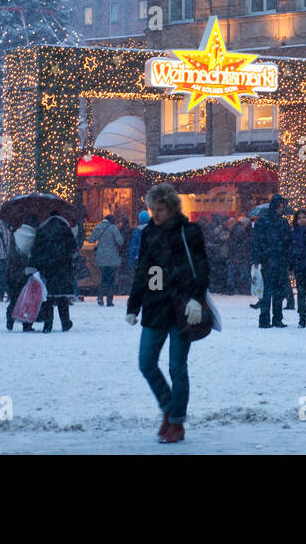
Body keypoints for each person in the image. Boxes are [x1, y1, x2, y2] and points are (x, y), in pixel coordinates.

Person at [126, 182, 209, 444]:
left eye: (160, 209)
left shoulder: (189, 232)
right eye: (153, 209)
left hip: (181, 307)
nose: (155, 214)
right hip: (155, 306)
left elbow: (201, 268)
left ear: (172, 208)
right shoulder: (149, 233)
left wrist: (197, 298)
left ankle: (176, 422)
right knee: (146, 362)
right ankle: (168, 407)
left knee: (177, 367)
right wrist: (133, 305)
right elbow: (144, 271)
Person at [33, 214, 77, 333]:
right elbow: (73, 248)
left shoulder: (42, 230)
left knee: (48, 297)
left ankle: (48, 324)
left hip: (47, 267)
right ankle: (65, 322)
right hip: (63, 267)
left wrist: (38, 264)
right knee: (62, 297)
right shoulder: (66, 230)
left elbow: (36, 249)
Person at [253, 194, 292, 328]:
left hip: (272, 261)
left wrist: (257, 258)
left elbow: (257, 242)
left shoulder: (265, 221)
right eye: (281, 206)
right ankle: (273, 319)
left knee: (271, 292)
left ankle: (269, 319)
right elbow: (257, 242)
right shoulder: (278, 222)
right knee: (273, 292)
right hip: (273, 261)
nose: (282, 209)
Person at [5, 219, 37, 332]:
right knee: (28, 298)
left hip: (13, 271)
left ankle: (10, 320)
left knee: (14, 298)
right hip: (27, 271)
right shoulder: (34, 235)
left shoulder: (15, 234)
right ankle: (26, 323)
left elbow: (11, 253)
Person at [88, 213, 124, 307]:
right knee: (111, 280)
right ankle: (109, 300)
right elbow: (120, 241)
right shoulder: (113, 228)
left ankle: (100, 296)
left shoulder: (98, 227)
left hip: (101, 258)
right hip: (112, 258)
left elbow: (91, 240)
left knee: (103, 278)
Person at [227, 216, 252, 295]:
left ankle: (234, 290)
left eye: (228, 224)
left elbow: (241, 245)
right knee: (242, 274)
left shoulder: (236, 230)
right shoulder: (239, 230)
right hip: (237, 256)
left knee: (236, 274)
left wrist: (238, 256)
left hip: (236, 256)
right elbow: (243, 245)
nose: (227, 226)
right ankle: (244, 290)